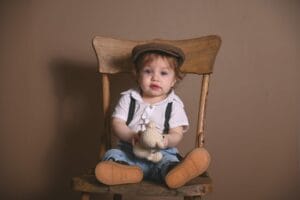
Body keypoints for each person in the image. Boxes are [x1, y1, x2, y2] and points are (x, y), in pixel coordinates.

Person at [95, 42, 210, 189]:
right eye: (148, 71)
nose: (155, 78)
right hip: (129, 152)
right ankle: (123, 172)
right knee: (112, 155)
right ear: (137, 74)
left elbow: (177, 133)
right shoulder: (128, 98)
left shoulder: (173, 104)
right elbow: (117, 123)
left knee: (169, 161)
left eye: (163, 73)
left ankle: (174, 172)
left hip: (160, 153)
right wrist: (131, 135)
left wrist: (165, 140)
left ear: (174, 80)